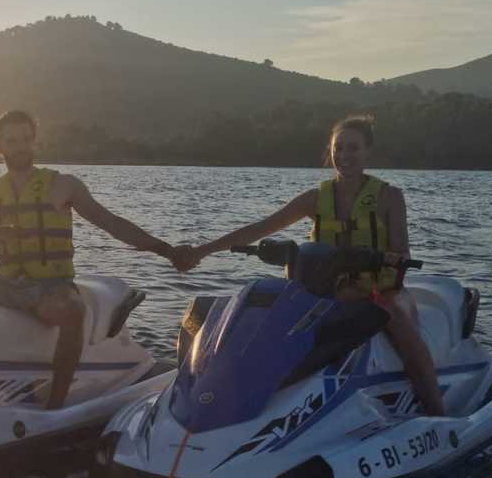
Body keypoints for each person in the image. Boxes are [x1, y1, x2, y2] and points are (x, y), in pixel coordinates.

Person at [174, 115, 446, 416]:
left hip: (382, 289)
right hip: (326, 291)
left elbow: (401, 250)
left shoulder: (390, 197)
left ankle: (438, 412)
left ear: (368, 151)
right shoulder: (315, 199)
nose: (344, 156)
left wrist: (386, 260)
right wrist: (201, 250)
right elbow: (258, 229)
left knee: (397, 321)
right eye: (338, 148)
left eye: (353, 148)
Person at [0, 109, 181, 410]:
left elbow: (111, 223)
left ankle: (56, 404)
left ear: (35, 142)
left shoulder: (63, 184)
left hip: (49, 285)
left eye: (26, 139)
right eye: (12, 141)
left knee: (72, 311)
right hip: (3, 284)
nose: (20, 147)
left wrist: (166, 250)